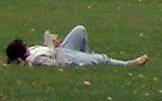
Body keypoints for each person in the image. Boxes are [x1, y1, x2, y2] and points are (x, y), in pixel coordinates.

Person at [6, 26, 147, 68]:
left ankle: (87, 57)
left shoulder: (33, 51)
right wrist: (55, 48)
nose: (27, 45)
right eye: (24, 46)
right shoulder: (35, 59)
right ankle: (128, 64)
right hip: (64, 56)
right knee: (101, 59)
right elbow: (57, 64)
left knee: (80, 30)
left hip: (63, 49)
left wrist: (52, 43)